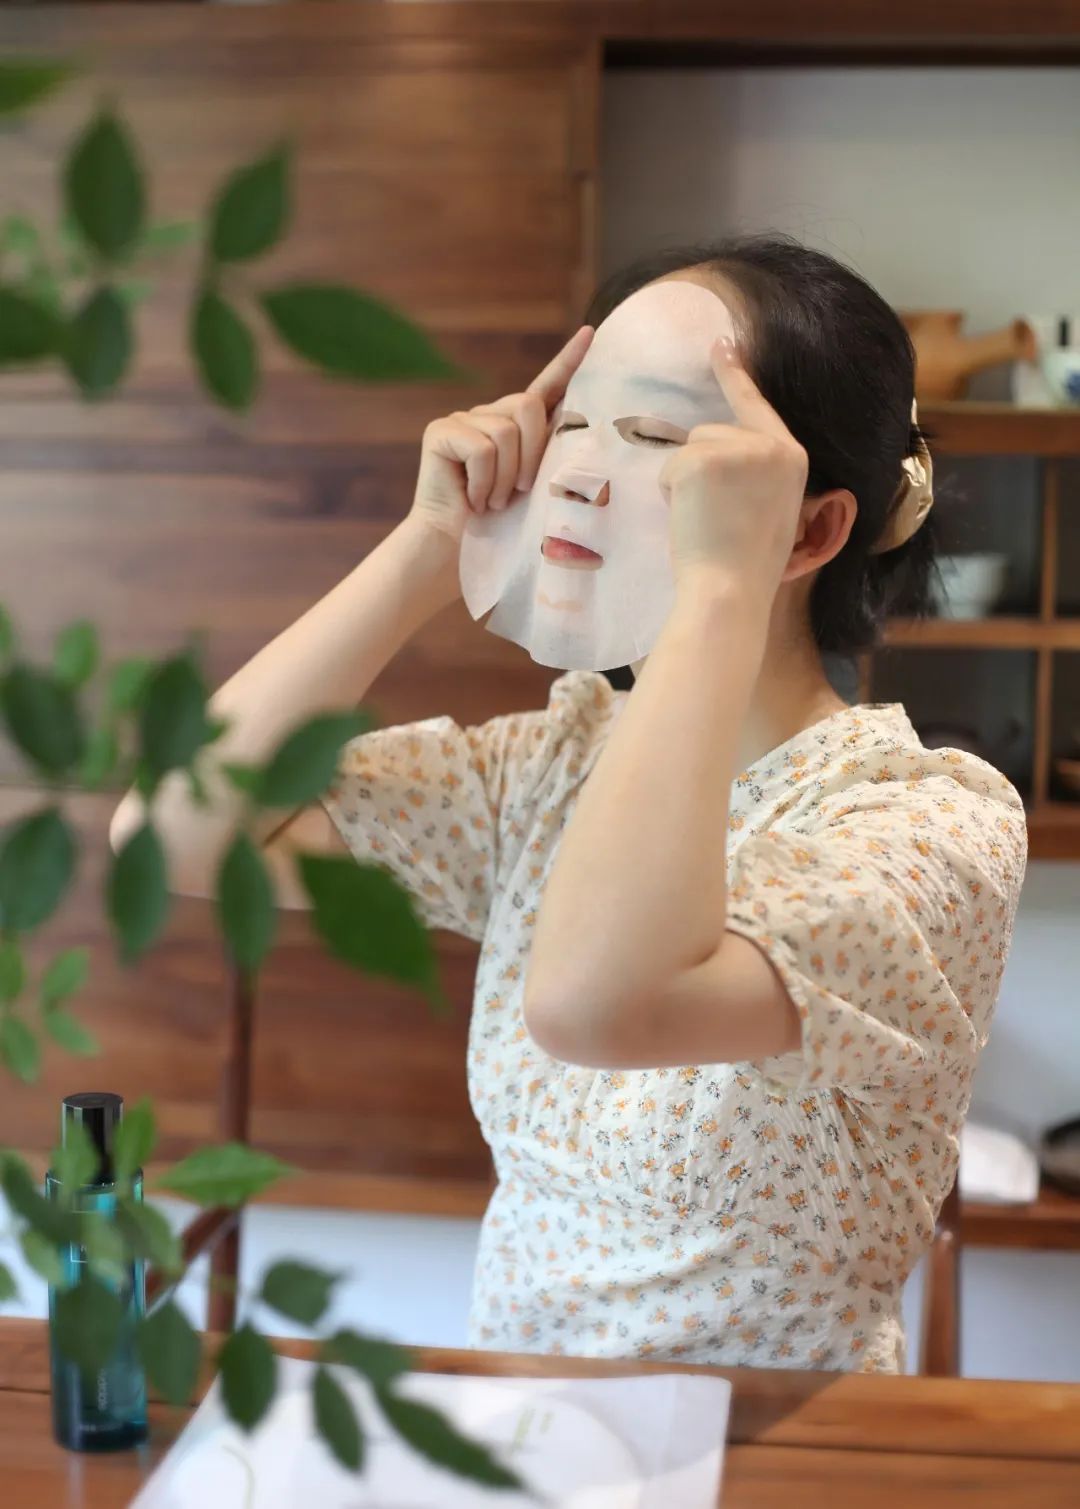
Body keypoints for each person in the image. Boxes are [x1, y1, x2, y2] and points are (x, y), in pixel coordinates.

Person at [111, 234, 1027, 1374]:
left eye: (654, 438)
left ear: (810, 526)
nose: (580, 473)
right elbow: (174, 834)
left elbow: (598, 1003)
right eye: (574, 425)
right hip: (528, 1429)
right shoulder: (555, 759)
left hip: (773, 1447)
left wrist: (722, 587)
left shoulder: (928, 825)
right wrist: (428, 544)